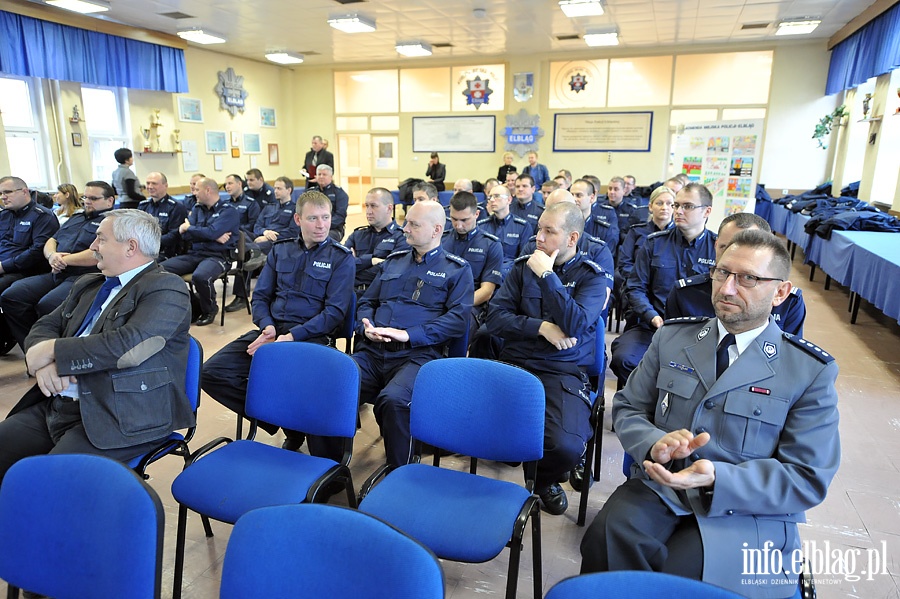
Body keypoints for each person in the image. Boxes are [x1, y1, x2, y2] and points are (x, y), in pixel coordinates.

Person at [580, 229, 840, 598]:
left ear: (780, 292)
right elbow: (629, 406)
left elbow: (808, 476)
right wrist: (656, 443)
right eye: (722, 273)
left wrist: (718, 476)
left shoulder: (808, 371)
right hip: (662, 489)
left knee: (682, 580)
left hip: (745, 509)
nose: (728, 288)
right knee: (604, 545)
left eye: (748, 278)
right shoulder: (673, 338)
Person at [0, 209, 195, 483]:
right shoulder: (88, 284)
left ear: (131, 247)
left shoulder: (166, 287)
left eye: (101, 239)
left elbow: (130, 345)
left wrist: (54, 352)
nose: (92, 247)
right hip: (59, 404)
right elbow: (45, 325)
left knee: (48, 483)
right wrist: (44, 363)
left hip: (119, 414)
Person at [200, 190, 354, 459]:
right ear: (297, 219)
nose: (321, 225)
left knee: (310, 388)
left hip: (312, 338)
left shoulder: (341, 258)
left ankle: (321, 458)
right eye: (313, 218)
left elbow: (335, 312)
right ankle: (283, 422)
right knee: (212, 373)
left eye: (326, 218)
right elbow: (260, 296)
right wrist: (267, 327)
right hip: (271, 333)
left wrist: (292, 336)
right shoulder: (280, 250)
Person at [485, 202, 607, 515]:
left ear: (572, 238)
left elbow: (577, 324)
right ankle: (527, 462)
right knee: (479, 426)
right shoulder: (522, 267)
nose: (538, 237)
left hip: (560, 370)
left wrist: (548, 275)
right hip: (516, 363)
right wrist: (540, 327)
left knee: (565, 447)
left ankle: (542, 480)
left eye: (549, 231)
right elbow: (495, 318)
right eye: (539, 228)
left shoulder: (592, 277)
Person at [352, 200, 473, 469]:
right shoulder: (393, 262)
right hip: (372, 352)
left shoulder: (457, 269)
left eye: (413, 224)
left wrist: (409, 335)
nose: (404, 228)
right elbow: (366, 301)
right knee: (335, 384)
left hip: (417, 356)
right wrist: (366, 326)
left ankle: (400, 472)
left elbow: (457, 321)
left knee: (393, 401)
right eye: (406, 222)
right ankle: (333, 465)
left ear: (436, 230)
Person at [610, 183, 717, 387]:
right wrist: (652, 317)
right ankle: (639, 407)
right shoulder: (654, 243)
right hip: (652, 326)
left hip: (699, 333)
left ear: (707, 211)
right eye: (677, 205)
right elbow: (635, 287)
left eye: (687, 206)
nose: (677, 211)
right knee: (624, 358)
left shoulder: (718, 249)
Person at [1, 181, 115, 351]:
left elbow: (98, 253)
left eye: (93, 198)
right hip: (56, 271)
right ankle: (34, 348)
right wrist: (52, 255)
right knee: (12, 296)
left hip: (84, 276)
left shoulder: (112, 222)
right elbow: (51, 240)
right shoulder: (76, 218)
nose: (87, 201)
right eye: (85, 197)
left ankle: (59, 352)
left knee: (47, 305)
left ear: (110, 201)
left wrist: (64, 260)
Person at [666, 212, 807, 337]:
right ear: (716, 246)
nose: (732, 254)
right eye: (726, 247)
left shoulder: (789, 302)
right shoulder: (684, 293)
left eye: (748, 277)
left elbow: (788, 356)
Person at [159, 177, 240, 326]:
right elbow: (186, 235)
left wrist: (191, 228)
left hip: (218, 256)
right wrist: (210, 234)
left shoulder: (228, 211)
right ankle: (194, 305)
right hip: (195, 253)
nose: (194, 193)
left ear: (208, 190)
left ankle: (209, 309)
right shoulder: (197, 209)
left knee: (201, 276)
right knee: (162, 270)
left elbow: (204, 232)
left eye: (197, 189)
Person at [0, 177, 61, 354]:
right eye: (1, 193)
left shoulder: (42, 216)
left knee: (8, 294)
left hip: (27, 270)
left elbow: (36, 252)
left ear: (24, 191)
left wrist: (4, 266)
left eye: (8, 192)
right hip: (5, 266)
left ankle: (33, 347)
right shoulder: (3, 216)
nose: (3, 197)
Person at [441, 191, 504, 329]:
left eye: (464, 220)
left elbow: (487, 291)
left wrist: (456, 305)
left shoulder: (491, 244)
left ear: (477, 214)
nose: (458, 225)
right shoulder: (441, 239)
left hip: (470, 304)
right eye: (453, 219)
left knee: (459, 324)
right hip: (438, 299)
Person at [345, 187, 409, 296]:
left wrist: (356, 266)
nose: (368, 211)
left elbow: (390, 272)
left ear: (389, 208)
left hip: (379, 297)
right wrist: (371, 260)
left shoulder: (402, 237)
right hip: (351, 294)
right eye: (367, 206)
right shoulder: (357, 235)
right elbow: (342, 265)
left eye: (373, 206)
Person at [616, 185, 675, 294]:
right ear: (650, 207)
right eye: (659, 203)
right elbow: (625, 264)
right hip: (638, 287)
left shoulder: (679, 234)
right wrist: (640, 281)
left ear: (675, 207)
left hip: (668, 291)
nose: (664, 207)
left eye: (669, 204)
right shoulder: (636, 231)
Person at [477, 184, 533, 277]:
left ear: (509, 200)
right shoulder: (481, 225)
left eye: (496, 196)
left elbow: (523, 260)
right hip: (484, 274)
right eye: (490, 197)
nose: (491, 200)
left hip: (510, 275)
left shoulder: (523, 226)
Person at [137, 172, 187, 259]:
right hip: (144, 250)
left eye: (154, 183)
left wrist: (150, 243)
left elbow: (174, 235)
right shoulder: (143, 206)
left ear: (165, 185)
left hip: (165, 252)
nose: (150, 187)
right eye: (148, 183)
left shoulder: (176, 207)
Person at [252, 176, 299, 254]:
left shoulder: (295, 209)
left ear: (289, 190)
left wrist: (268, 237)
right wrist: (265, 232)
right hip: (261, 235)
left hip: (278, 241)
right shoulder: (269, 207)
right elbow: (257, 226)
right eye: (275, 188)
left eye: (279, 189)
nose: (275, 191)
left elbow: (292, 231)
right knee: (241, 236)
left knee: (251, 248)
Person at [572, 178, 619, 251]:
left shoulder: (604, 230)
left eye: (578, 195)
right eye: (571, 195)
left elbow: (606, 257)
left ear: (592, 197)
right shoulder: (563, 225)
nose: (574, 199)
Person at [314, 165, 349, 241]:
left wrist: (322, 225)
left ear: (331, 177)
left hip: (333, 229)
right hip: (313, 227)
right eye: (319, 174)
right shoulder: (311, 192)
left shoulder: (339, 193)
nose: (321, 176)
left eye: (324, 174)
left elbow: (340, 216)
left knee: (322, 239)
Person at [600, 177, 638, 244]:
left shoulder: (632, 210)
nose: (612, 192)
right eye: (610, 189)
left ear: (624, 191)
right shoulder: (600, 208)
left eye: (616, 189)